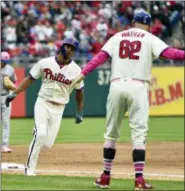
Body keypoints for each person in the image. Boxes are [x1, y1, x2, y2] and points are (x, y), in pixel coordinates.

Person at [71, 11, 185, 190]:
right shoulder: (149, 37)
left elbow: (100, 57)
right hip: (138, 87)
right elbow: (170, 53)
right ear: (147, 25)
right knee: (139, 134)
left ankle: (105, 176)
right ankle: (139, 179)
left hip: (116, 86)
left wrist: (83, 72)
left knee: (111, 134)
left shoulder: (118, 36)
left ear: (133, 22)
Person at [5, 37, 84, 176]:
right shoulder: (45, 62)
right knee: (41, 134)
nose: (69, 50)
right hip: (43, 102)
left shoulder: (77, 70)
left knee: (47, 144)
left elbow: (80, 91)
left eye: (72, 48)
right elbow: (29, 79)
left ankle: (37, 132)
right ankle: (29, 169)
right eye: (67, 46)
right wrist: (15, 93)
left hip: (59, 108)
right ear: (61, 46)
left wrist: (79, 111)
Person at [1, 51, 17, 153]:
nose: (5, 63)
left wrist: (13, 87)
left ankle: (5, 145)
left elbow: (15, 82)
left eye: (6, 61)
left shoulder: (10, 69)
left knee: (6, 122)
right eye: (3, 61)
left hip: (5, 97)